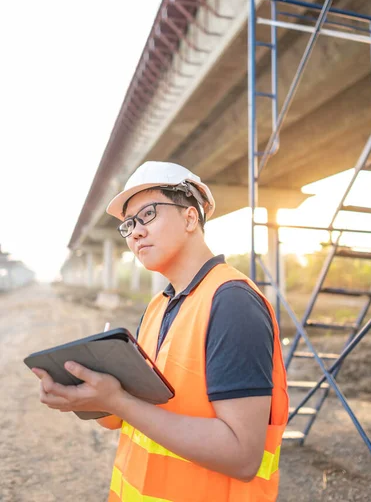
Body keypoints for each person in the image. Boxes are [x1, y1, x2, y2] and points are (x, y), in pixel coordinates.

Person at [33, 161, 288, 502]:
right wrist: (90, 397)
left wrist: (117, 401)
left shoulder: (231, 302)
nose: (135, 232)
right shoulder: (159, 305)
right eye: (129, 224)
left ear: (190, 217)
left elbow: (241, 456)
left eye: (148, 214)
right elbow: (136, 413)